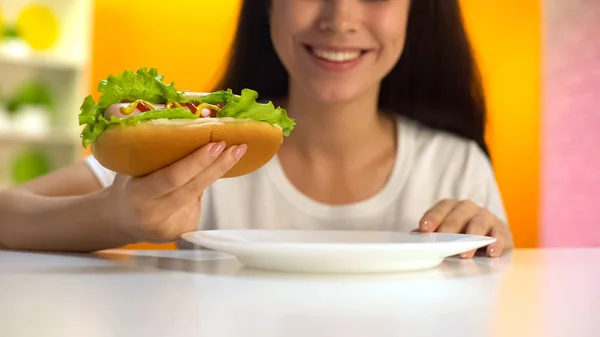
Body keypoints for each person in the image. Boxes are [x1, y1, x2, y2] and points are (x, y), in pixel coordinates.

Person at [0, 0, 513, 257]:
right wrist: (114, 217)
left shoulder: (457, 165)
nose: (339, 17)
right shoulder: (196, 147)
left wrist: (489, 248)